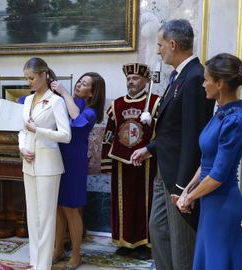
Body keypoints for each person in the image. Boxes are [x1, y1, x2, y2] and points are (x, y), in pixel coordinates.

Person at [131, 19, 215, 270]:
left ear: (173, 44)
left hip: (180, 175)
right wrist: (150, 148)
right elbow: (171, 130)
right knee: (158, 229)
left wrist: (183, 186)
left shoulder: (194, 78)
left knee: (181, 242)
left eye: (160, 45)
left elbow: (192, 137)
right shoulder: (178, 77)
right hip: (164, 168)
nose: (158, 50)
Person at [175, 53, 242, 269]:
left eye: (206, 79)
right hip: (211, 205)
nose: (203, 84)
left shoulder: (235, 119)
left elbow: (218, 176)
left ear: (219, 84)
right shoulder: (221, 112)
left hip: (223, 207)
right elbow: (207, 161)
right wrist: (187, 190)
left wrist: (189, 198)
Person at [101, 63, 160, 260]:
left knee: (145, 203)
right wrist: (105, 161)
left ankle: (146, 243)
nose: (131, 82)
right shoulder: (116, 105)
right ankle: (125, 241)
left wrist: (153, 121)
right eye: (128, 79)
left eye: (135, 78)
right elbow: (109, 134)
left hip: (147, 163)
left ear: (145, 81)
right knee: (123, 203)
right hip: (121, 162)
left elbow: (164, 134)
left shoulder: (155, 103)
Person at [19, 57, 71, 270]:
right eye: (26, 78)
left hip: (49, 165)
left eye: (31, 78)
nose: (29, 82)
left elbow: (66, 135)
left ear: (43, 75)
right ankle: (34, 262)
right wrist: (22, 147)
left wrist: (38, 131)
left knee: (46, 217)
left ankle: (44, 266)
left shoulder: (56, 101)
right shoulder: (28, 100)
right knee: (32, 216)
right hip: (28, 164)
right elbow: (21, 129)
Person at [51, 72, 105, 269]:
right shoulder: (66, 102)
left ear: (92, 93)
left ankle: (75, 254)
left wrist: (64, 92)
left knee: (71, 208)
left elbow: (76, 118)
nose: (79, 85)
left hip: (74, 162)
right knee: (57, 207)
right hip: (57, 157)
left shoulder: (90, 112)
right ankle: (58, 249)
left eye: (85, 84)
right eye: (79, 82)